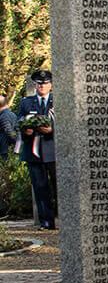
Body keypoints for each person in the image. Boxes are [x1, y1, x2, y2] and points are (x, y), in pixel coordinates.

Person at [17, 69, 56, 229]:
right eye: (39, 84)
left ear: (50, 85)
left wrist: (52, 130)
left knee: (59, 187)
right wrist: (25, 130)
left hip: (53, 151)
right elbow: (18, 120)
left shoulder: (57, 101)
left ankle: (65, 220)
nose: (42, 86)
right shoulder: (26, 102)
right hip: (33, 152)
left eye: (45, 83)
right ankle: (46, 221)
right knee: (40, 189)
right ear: (35, 85)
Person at [0, 95, 18, 159]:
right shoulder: (10, 114)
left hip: (6, 148)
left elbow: (9, 131)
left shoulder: (4, 116)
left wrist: (16, 140)